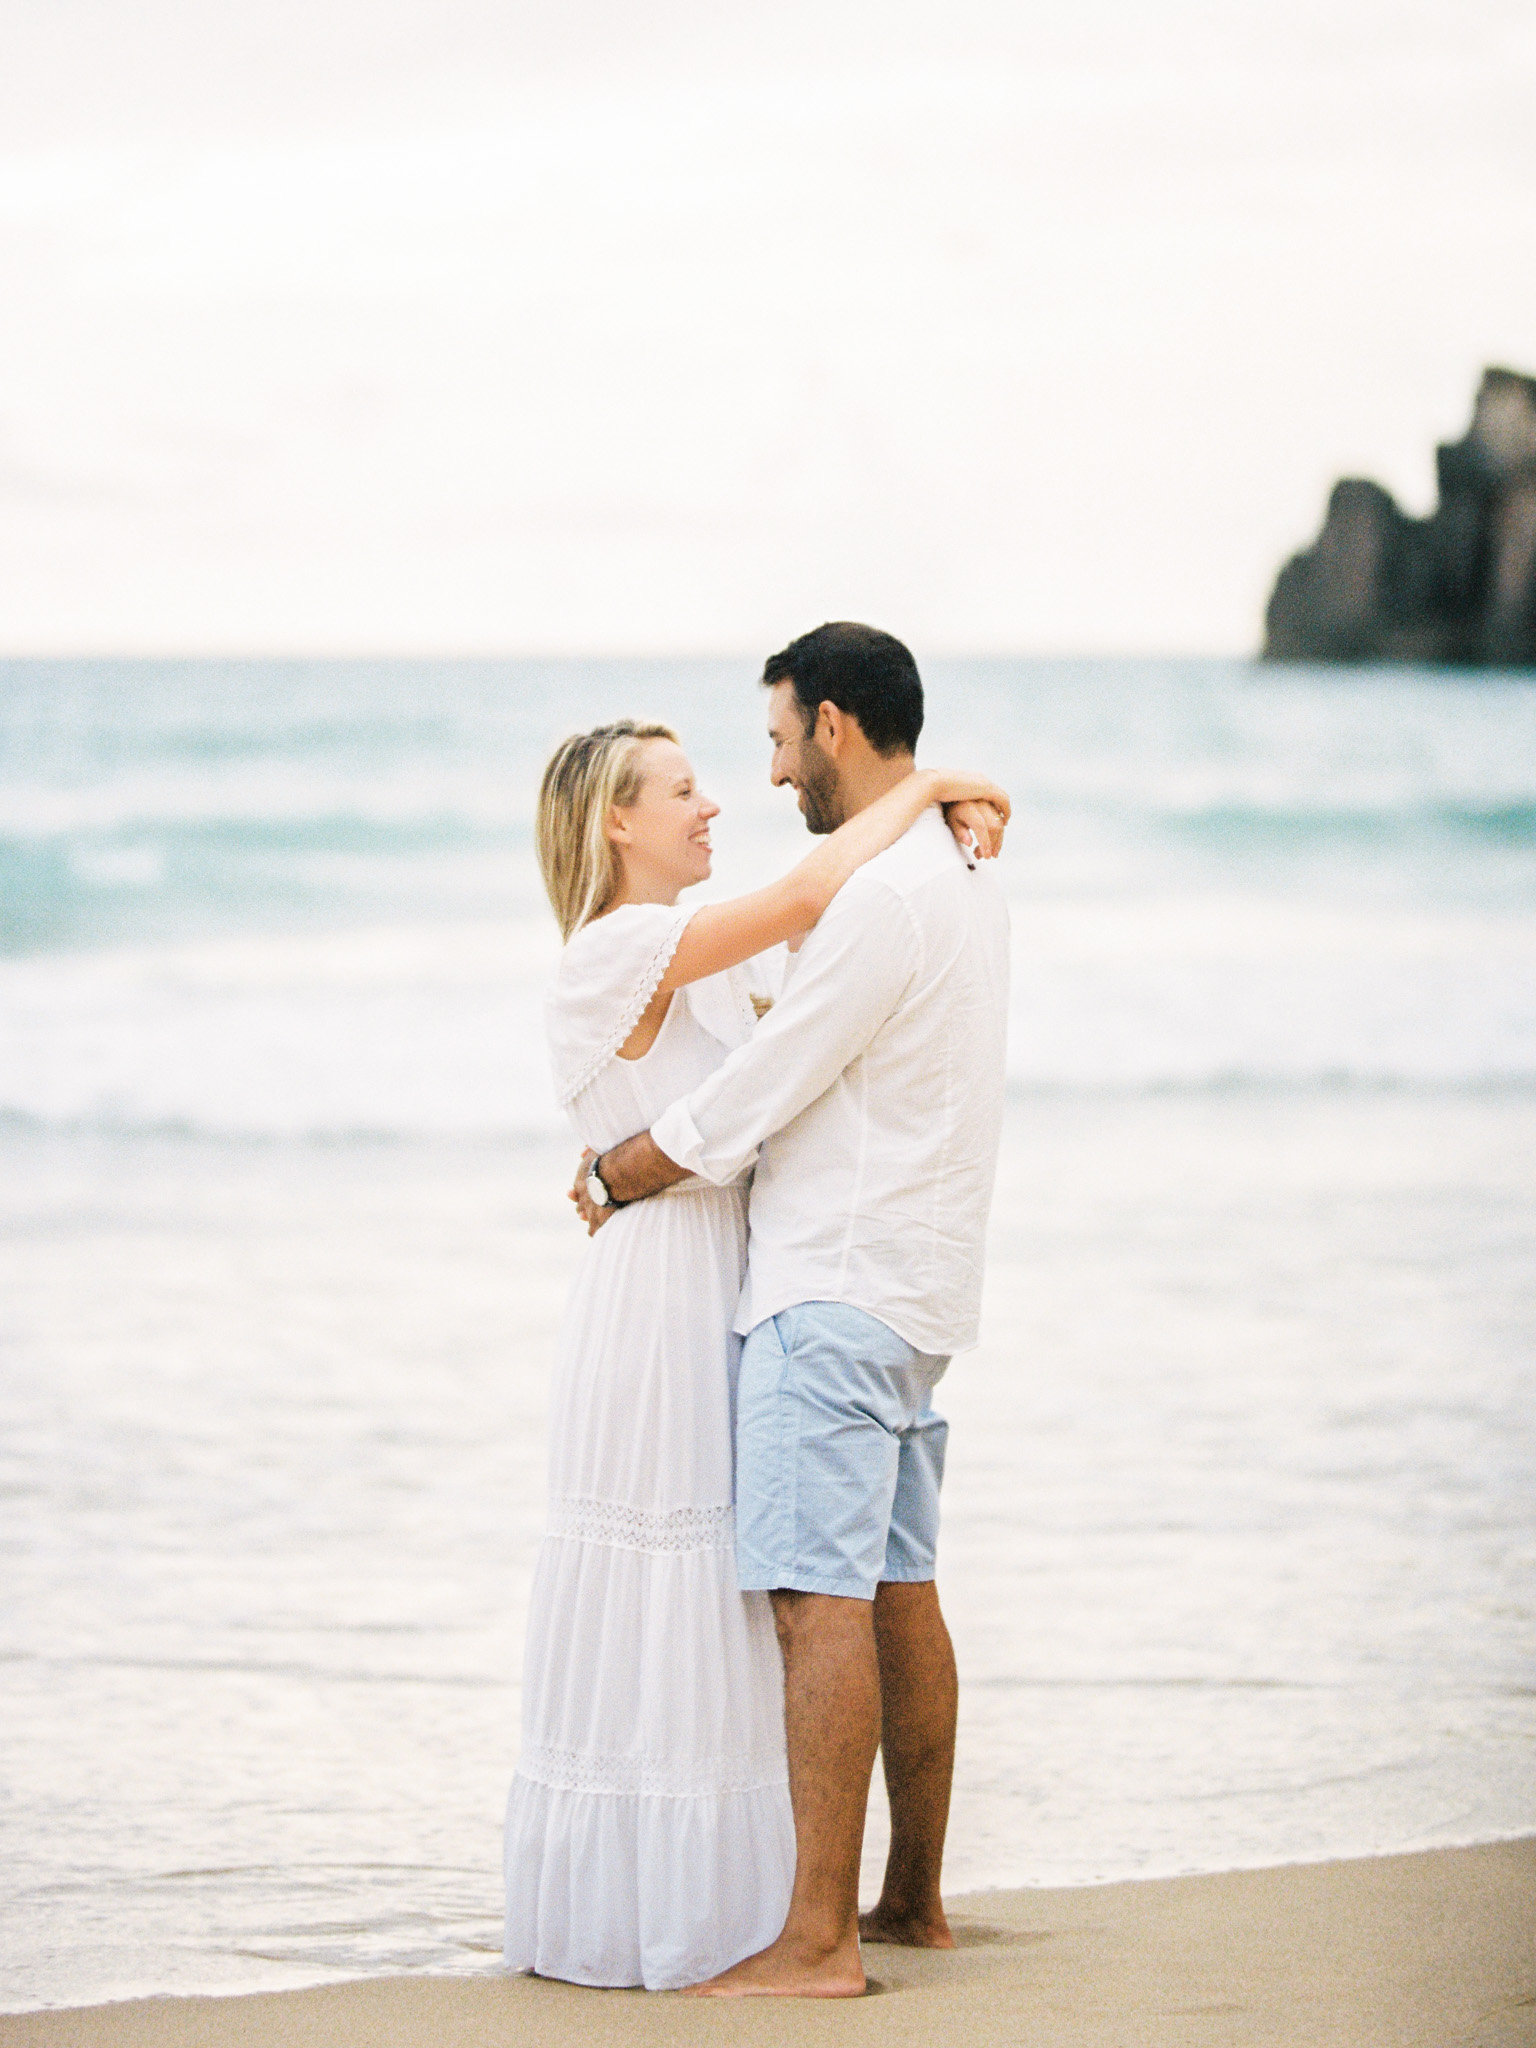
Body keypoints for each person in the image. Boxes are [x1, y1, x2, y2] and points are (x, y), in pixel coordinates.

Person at [503, 705, 1008, 1991]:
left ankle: (744, 1896)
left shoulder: (702, 961)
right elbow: (808, 889)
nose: (712, 802)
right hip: (658, 1303)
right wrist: (934, 781)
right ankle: (651, 1905)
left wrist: (931, 818)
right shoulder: (618, 948)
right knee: (680, 1582)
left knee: (736, 1597)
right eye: (679, 791)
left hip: (731, 1273)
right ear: (615, 822)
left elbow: (793, 1045)